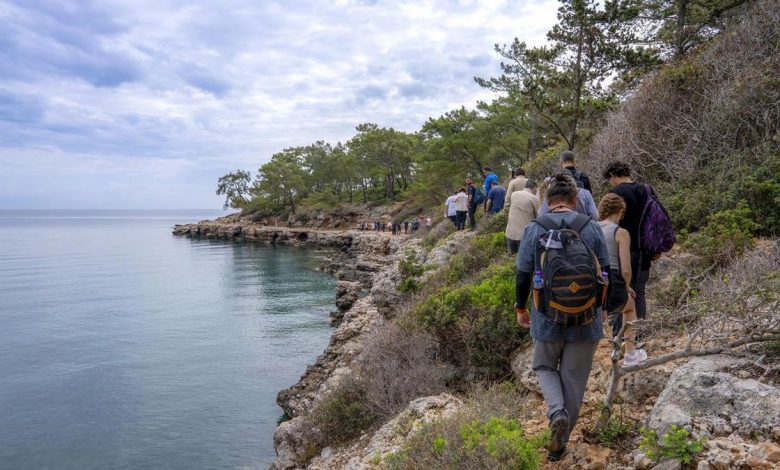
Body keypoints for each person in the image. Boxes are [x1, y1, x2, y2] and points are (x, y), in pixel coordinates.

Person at [514, 173, 609, 462]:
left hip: (546, 316)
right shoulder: (591, 227)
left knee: (543, 367)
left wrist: (521, 308)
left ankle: (556, 413)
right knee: (574, 379)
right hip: (586, 318)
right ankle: (559, 445)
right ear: (575, 199)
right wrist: (602, 310)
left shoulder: (535, 228)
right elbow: (606, 272)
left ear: (546, 200)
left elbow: (522, 274)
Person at [598, 194, 648, 367]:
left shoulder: (592, 228)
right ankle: (630, 354)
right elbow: (625, 268)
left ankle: (615, 347)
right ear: (619, 212)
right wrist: (626, 287)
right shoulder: (620, 232)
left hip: (593, 280)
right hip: (612, 279)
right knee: (629, 306)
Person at [603, 161, 653, 327]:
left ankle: (622, 336)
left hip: (623, 248)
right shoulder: (646, 189)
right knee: (639, 292)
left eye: (610, 179)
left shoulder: (616, 192)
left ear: (613, 175)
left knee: (624, 293)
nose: (611, 182)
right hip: (645, 248)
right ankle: (639, 334)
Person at [505, 180, 539, 254]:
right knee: (522, 262)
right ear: (534, 188)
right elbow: (538, 217)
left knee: (511, 258)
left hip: (510, 233)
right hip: (524, 236)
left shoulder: (514, 194)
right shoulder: (534, 198)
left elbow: (507, 203)